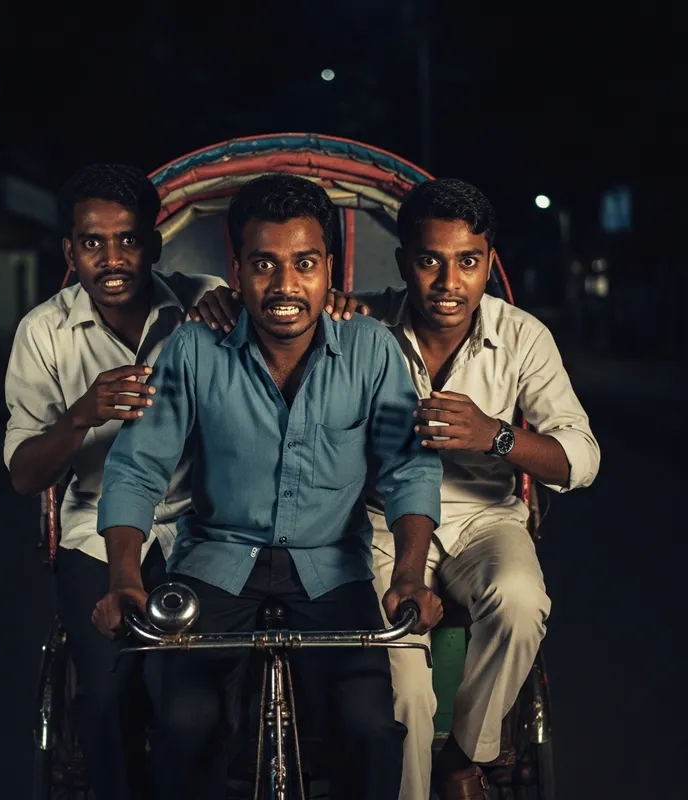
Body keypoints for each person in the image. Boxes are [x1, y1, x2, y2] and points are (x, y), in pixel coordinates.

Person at [189, 177, 601, 800]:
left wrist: (495, 436)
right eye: (430, 261)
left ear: (489, 263)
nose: (449, 282)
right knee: (400, 684)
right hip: (384, 524)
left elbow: (581, 460)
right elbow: (282, 302)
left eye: (468, 262)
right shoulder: (359, 321)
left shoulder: (522, 337)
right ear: (405, 261)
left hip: (486, 519)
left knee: (520, 600)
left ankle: (464, 756)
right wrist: (223, 300)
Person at [92, 173, 444, 800]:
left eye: (305, 263)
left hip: (333, 571)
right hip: (215, 564)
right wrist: (124, 576)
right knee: (183, 724)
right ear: (236, 269)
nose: (285, 286)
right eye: (264, 265)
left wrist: (410, 575)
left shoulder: (373, 350)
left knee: (369, 728)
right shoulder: (193, 350)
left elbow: (409, 467)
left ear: (330, 267)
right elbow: (136, 467)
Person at [3, 163, 228, 800]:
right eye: (93, 243)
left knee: (199, 701)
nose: (112, 258)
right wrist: (81, 415)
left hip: (199, 526)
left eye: (128, 240)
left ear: (154, 243)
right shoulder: (43, 332)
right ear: (69, 251)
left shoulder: (202, 299)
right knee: (106, 701)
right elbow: (24, 475)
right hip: (94, 532)